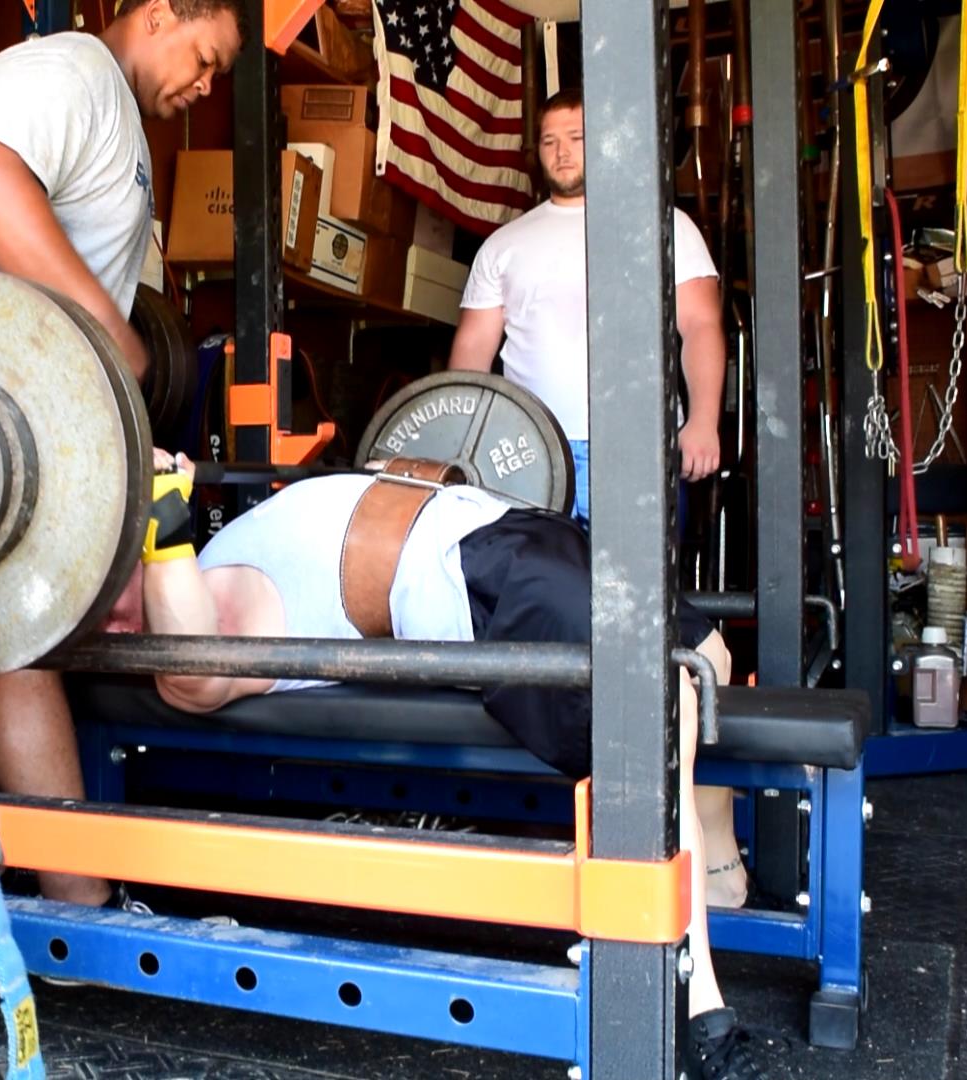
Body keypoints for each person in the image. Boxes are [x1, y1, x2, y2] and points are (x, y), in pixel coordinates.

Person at [104, 451, 765, 1079]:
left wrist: (161, 522)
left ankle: (718, 874)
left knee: (712, 660)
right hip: (491, 575)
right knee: (663, 714)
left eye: (107, 609)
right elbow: (189, 672)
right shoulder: (221, 610)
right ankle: (698, 1000)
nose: (114, 633)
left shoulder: (214, 569)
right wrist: (167, 525)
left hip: (505, 534)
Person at [0, 0, 243, 904]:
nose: (206, 85)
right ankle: (77, 915)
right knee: (21, 642)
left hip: (13, 409)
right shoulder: (68, 70)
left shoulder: (119, 122)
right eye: (205, 58)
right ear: (164, 13)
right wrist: (110, 336)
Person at [447, 88, 727, 529]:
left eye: (576, 138)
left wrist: (703, 421)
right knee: (536, 588)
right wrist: (461, 442)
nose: (562, 153)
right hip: (527, 448)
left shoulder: (664, 224)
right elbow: (473, 346)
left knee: (637, 596)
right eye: (549, 141)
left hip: (634, 444)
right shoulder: (504, 244)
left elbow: (702, 325)